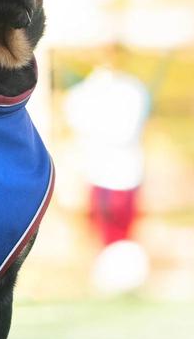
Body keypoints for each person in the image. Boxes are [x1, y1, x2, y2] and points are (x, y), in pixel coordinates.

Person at [65, 44, 152, 293]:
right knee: (102, 233)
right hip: (97, 172)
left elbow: (127, 132)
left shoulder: (132, 91)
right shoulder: (83, 96)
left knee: (123, 232)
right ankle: (109, 279)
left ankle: (124, 278)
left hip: (126, 172)